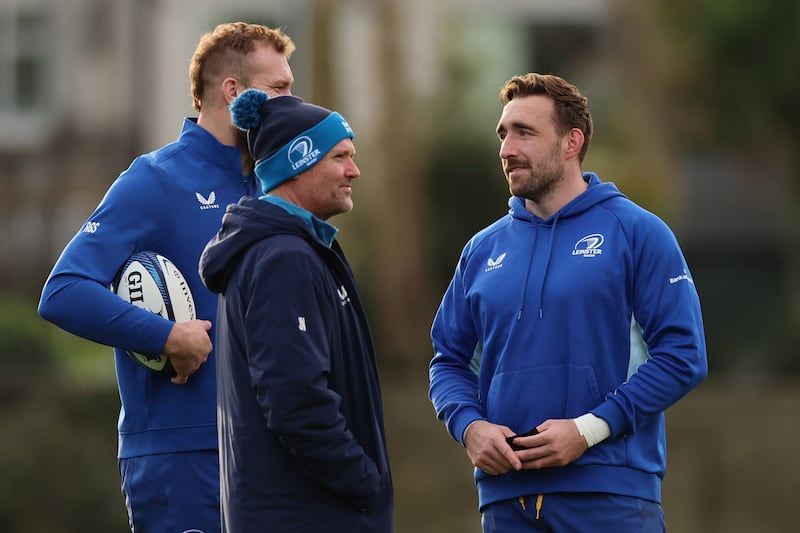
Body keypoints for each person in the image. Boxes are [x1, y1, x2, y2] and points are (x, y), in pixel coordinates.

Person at [37, 22, 296, 532]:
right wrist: (166, 335)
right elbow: (63, 290)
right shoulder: (155, 178)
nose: (292, 102)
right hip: (182, 456)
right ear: (233, 92)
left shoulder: (271, 184)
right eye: (280, 89)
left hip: (267, 454)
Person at [428, 72, 708, 532]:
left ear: (571, 142)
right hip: (505, 501)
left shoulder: (638, 232)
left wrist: (589, 430)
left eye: (524, 132)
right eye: (503, 133)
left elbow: (684, 356)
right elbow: (448, 360)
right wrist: (468, 426)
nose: (506, 148)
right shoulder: (481, 250)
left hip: (611, 495)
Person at [199, 89, 393, 532]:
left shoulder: (296, 250)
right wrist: (364, 482)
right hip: (307, 516)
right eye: (340, 157)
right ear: (299, 161)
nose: (354, 170)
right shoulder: (285, 258)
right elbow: (295, 401)